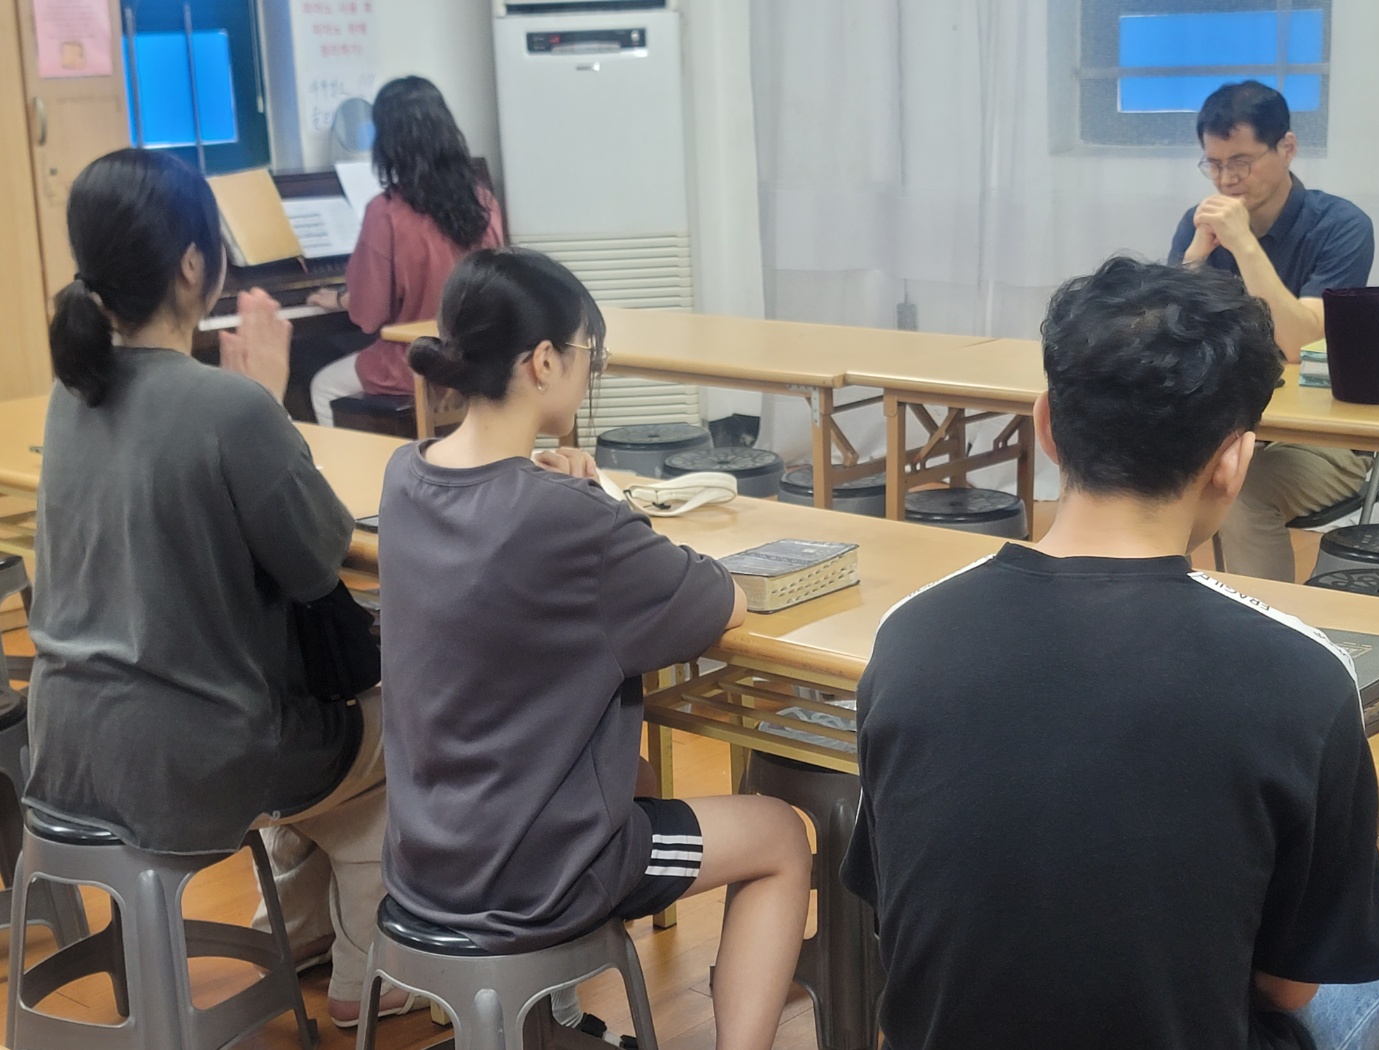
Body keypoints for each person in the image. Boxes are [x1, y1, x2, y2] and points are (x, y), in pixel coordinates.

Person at [842, 256, 1379, 1050]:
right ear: (1233, 461)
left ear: (1046, 426)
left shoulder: (908, 636)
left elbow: (896, 909)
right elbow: (1288, 984)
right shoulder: (1307, 678)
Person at [375, 247, 812, 1050]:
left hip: (423, 858)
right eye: (589, 355)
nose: (589, 372)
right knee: (780, 834)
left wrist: (569, 496)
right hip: (532, 877)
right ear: (544, 361)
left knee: (634, 775)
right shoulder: (571, 519)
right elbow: (722, 601)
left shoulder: (405, 477)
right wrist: (596, 501)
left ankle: (556, 1021)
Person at [24, 148, 416, 1028]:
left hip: (67, 748)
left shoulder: (70, 393)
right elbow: (317, 560)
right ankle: (369, 970)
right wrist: (269, 399)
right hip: (193, 765)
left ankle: (302, 926)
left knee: (312, 720)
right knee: (406, 716)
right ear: (195, 265)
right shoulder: (227, 407)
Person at [1169, 79, 1374, 581]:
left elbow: (1301, 345)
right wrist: (1194, 257)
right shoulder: (1200, 223)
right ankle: (1159, 609)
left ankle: (1264, 620)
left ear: (1287, 147)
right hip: (1226, 424)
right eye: (1214, 164)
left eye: (1241, 161)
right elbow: (1169, 338)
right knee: (1137, 475)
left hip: (1322, 437)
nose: (1227, 179)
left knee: (1239, 492)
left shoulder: (1342, 226)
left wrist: (1243, 245)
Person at [307, 75, 504, 427]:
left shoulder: (386, 212)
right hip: (476, 362)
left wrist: (339, 299)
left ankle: (352, 464)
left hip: (416, 363)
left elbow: (369, 315)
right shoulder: (483, 201)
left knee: (323, 387)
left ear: (387, 143)